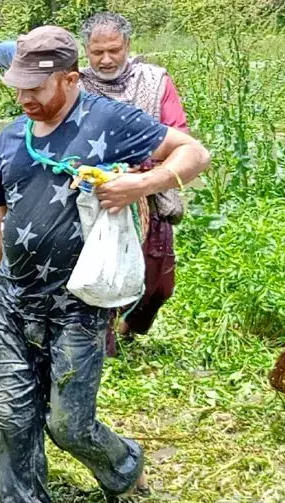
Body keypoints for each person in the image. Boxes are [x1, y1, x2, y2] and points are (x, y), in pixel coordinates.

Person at [0, 27, 209, 503]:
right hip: (12, 299)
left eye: (37, 89)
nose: (24, 98)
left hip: (78, 302)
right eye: (19, 88)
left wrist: (141, 184)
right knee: (13, 414)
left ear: (70, 79)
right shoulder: (9, 138)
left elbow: (195, 154)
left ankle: (125, 468)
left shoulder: (107, 120)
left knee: (68, 423)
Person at [78, 11, 189, 343]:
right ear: (86, 50)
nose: (107, 59)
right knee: (100, 271)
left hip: (147, 190)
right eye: (98, 52)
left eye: (114, 50)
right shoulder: (75, 84)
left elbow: (178, 137)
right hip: (95, 195)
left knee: (160, 284)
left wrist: (141, 173)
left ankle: (130, 328)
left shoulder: (155, 81)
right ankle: (100, 343)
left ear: (127, 45)